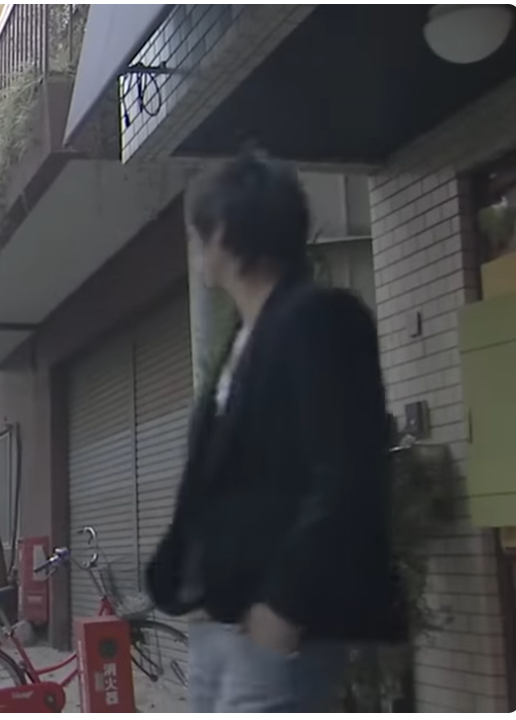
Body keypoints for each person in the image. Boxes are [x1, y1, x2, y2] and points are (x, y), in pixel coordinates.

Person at [145, 150, 405, 712]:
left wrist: (286, 605)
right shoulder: (242, 338)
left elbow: (346, 471)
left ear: (226, 233)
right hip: (219, 622)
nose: (196, 247)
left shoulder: (320, 319)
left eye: (199, 232)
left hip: (279, 625)